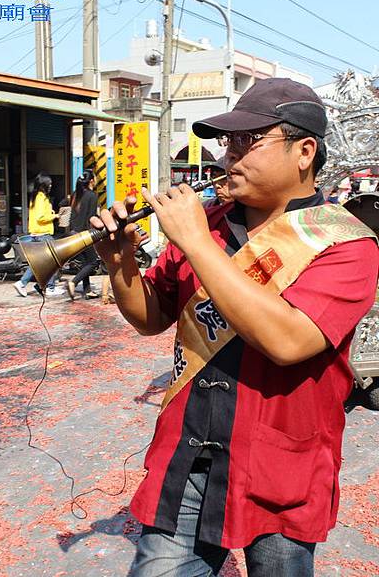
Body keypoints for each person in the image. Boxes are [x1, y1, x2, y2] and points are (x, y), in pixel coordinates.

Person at [91, 78, 378, 576]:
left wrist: (196, 242)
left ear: (304, 151)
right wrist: (120, 263)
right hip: (189, 457)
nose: (229, 156)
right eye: (228, 142)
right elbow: (150, 318)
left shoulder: (346, 244)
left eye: (249, 141)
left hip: (280, 471)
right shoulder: (211, 223)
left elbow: (288, 342)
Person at [14, 172, 64, 297]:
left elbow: (38, 214)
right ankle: (50, 288)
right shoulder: (41, 198)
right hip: (43, 234)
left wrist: (50, 211)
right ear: (44, 185)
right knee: (53, 260)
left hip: (36, 233)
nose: (51, 186)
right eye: (49, 183)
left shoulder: (35, 197)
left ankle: (24, 283)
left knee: (40, 262)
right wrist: (55, 216)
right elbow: (41, 217)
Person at [67, 170, 99, 300]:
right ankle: (73, 282)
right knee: (93, 262)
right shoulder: (92, 196)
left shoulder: (76, 194)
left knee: (86, 262)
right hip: (85, 234)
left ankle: (87, 290)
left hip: (73, 233)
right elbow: (91, 218)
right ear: (91, 181)